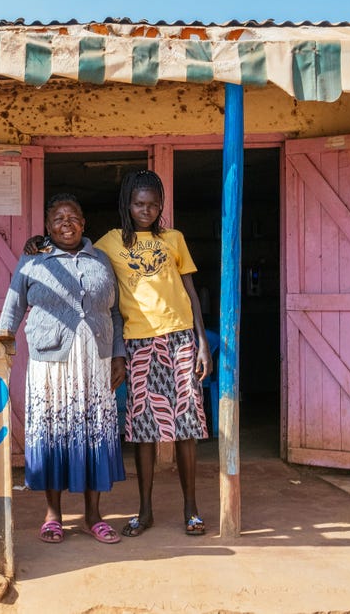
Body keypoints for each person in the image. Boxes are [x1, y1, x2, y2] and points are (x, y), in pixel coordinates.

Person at [25, 170, 212, 537]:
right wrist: (38, 241)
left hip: (180, 338)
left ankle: (191, 509)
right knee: (143, 430)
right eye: (140, 203)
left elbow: (190, 291)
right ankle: (145, 511)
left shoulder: (174, 239)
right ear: (127, 204)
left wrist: (202, 341)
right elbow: (71, 250)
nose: (147, 210)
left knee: (186, 428)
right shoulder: (109, 243)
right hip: (138, 341)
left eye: (154, 204)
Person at [0, 193, 127, 544]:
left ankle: (93, 517)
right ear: (47, 226)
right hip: (50, 364)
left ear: (84, 224)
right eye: (58, 218)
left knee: (93, 434)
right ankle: (53, 516)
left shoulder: (101, 260)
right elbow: (12, 308)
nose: (66, 223)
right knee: (52, 435)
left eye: (73, 217)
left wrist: (119, 356)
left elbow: (114, 312)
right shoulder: (33, 261)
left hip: (96, 362)